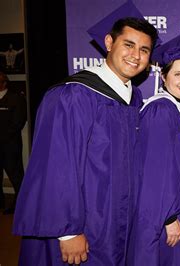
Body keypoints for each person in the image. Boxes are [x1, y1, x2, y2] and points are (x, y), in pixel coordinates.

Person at [12, 2, 159, 265]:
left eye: (144, 49)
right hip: (86, 225)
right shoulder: (73, 96)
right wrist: (68, 231)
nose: (136, 55)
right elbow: (56, 167)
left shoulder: (134, 99)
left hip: (118, 222)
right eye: (128, 44)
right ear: (109, 43)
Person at [127, 35, 180, 265]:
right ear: (163, 77)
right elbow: (155, 173)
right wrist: (169, 216)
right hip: (169, 215)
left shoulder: (179, 112)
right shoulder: (160, 111)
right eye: (178, 74)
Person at [0, 71, 26, 214]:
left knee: (16, 176)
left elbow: (18, 122)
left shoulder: (16, 99)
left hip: (10, 147)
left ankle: (19, 205)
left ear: (4, 83)